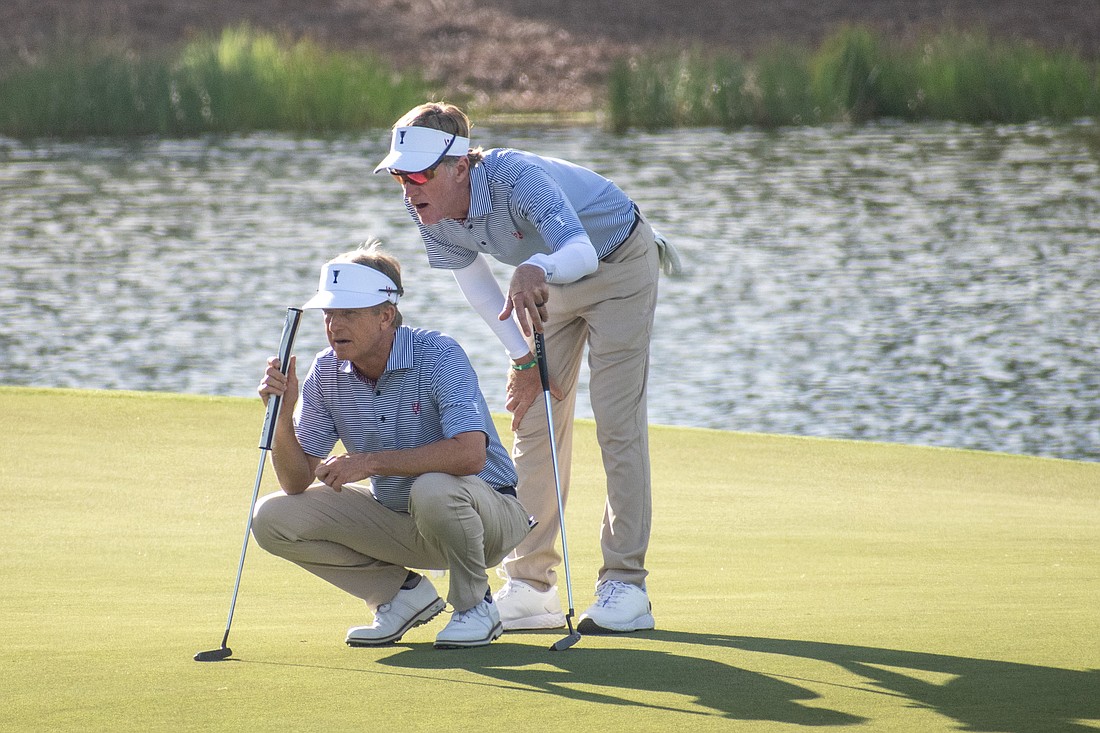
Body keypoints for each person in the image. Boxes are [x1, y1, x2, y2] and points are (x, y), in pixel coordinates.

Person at [374, 102, 679, 634]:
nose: (408, 187)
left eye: (419, 174)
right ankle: (531, 585)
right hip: (544, 284)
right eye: (400, 175)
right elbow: (476, 287)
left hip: (617, 262)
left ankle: (626, 584)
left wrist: (535, 268)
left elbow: (578, 251)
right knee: (533, 424)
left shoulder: (516, 176)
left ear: (460, 166)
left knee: (615, 421)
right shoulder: (428, 210)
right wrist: (523, 360)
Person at [250, 240, 532, 649]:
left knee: (433, 487)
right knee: (272, 517)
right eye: (329, 314)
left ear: (386, 317)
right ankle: (400, 596)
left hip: (487, 518)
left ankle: (477, 607)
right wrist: (281, 414)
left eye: (348, 313)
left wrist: (368, 463)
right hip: (400, 520)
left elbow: (470, 454)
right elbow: (296, 482)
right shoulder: (326, 371)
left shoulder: (438, 354)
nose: (334, 326)